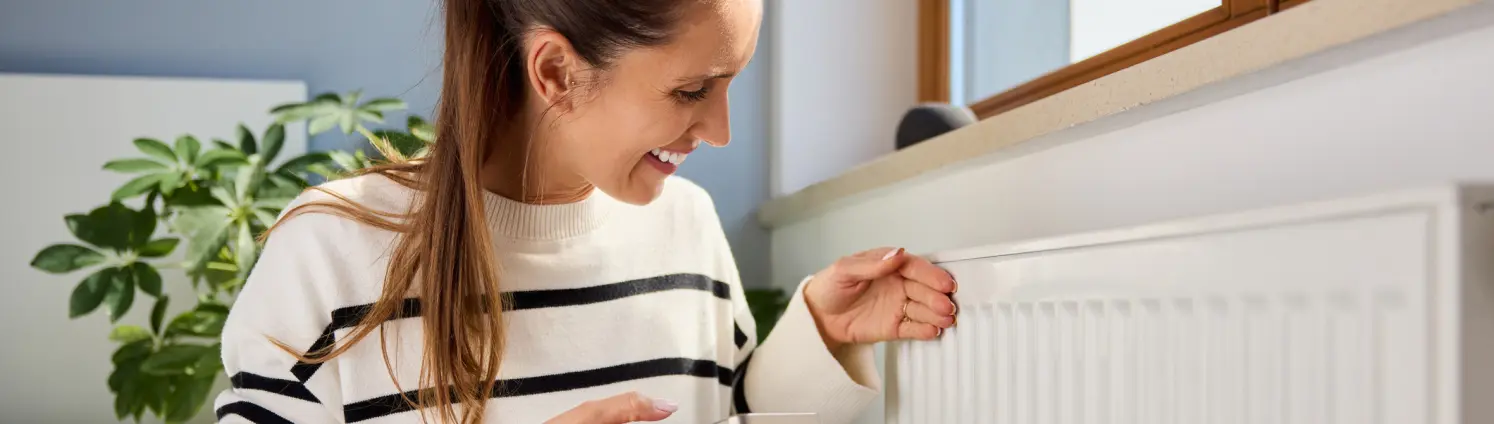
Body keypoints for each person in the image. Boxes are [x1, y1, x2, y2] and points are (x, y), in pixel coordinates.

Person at [211, 0, 958, 423]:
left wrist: (817, 338)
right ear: (557, 72)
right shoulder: (330, 250)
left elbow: (724, 408)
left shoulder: (686, 227)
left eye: (732, 84)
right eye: (693, 91)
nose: (722, 131)